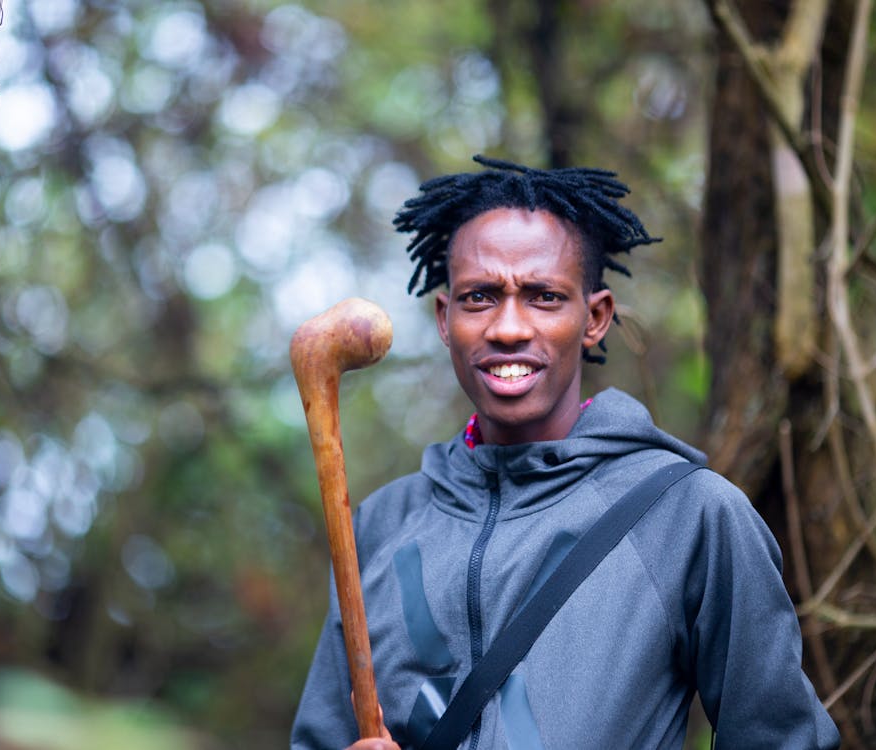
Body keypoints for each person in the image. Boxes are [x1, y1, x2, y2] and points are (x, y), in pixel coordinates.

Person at [291, 156, 840, 749]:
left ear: (595, 318)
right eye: (479, 297)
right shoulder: (379, 526)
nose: (507, 327)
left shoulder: (689, 516)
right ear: (445, 320)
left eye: (544, 296)